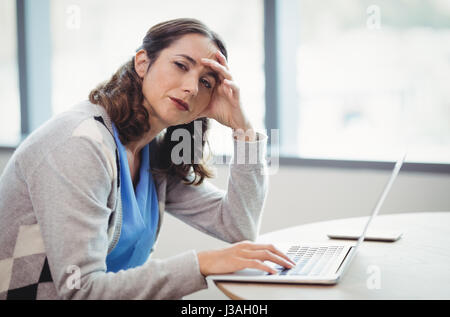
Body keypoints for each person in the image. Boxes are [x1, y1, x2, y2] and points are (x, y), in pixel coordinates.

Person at [0, 18, 294, 300]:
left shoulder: (151, 152)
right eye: (181, 65)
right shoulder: (79, 143)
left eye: (206, 82)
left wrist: (244, 130)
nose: (192, 87)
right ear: (143, 62)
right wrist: (201, 263)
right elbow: (81, 290)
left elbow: (238, 226)